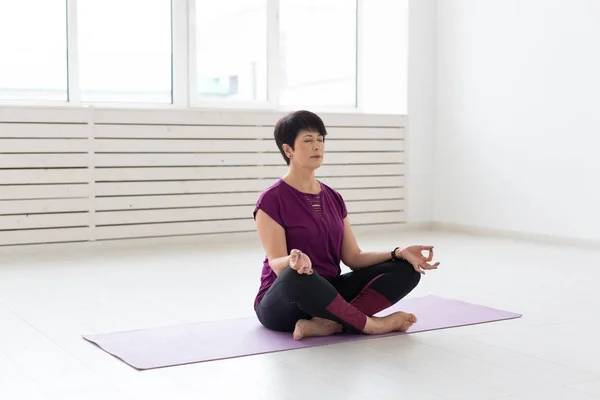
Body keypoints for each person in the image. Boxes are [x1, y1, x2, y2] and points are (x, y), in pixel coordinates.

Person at [253, 110, 440, 340]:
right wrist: (293, 261)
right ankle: (372, 325)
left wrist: (398, 252)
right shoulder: (271, 200)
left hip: (329, 295)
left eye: (321, 140)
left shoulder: (333, 197)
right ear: (288, 149)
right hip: (286, 300)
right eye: (308, 140)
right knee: (298, 276)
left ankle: (328, 323)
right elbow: (276, 262)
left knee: (407, 268)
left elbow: (353, 257)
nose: (317, 146)